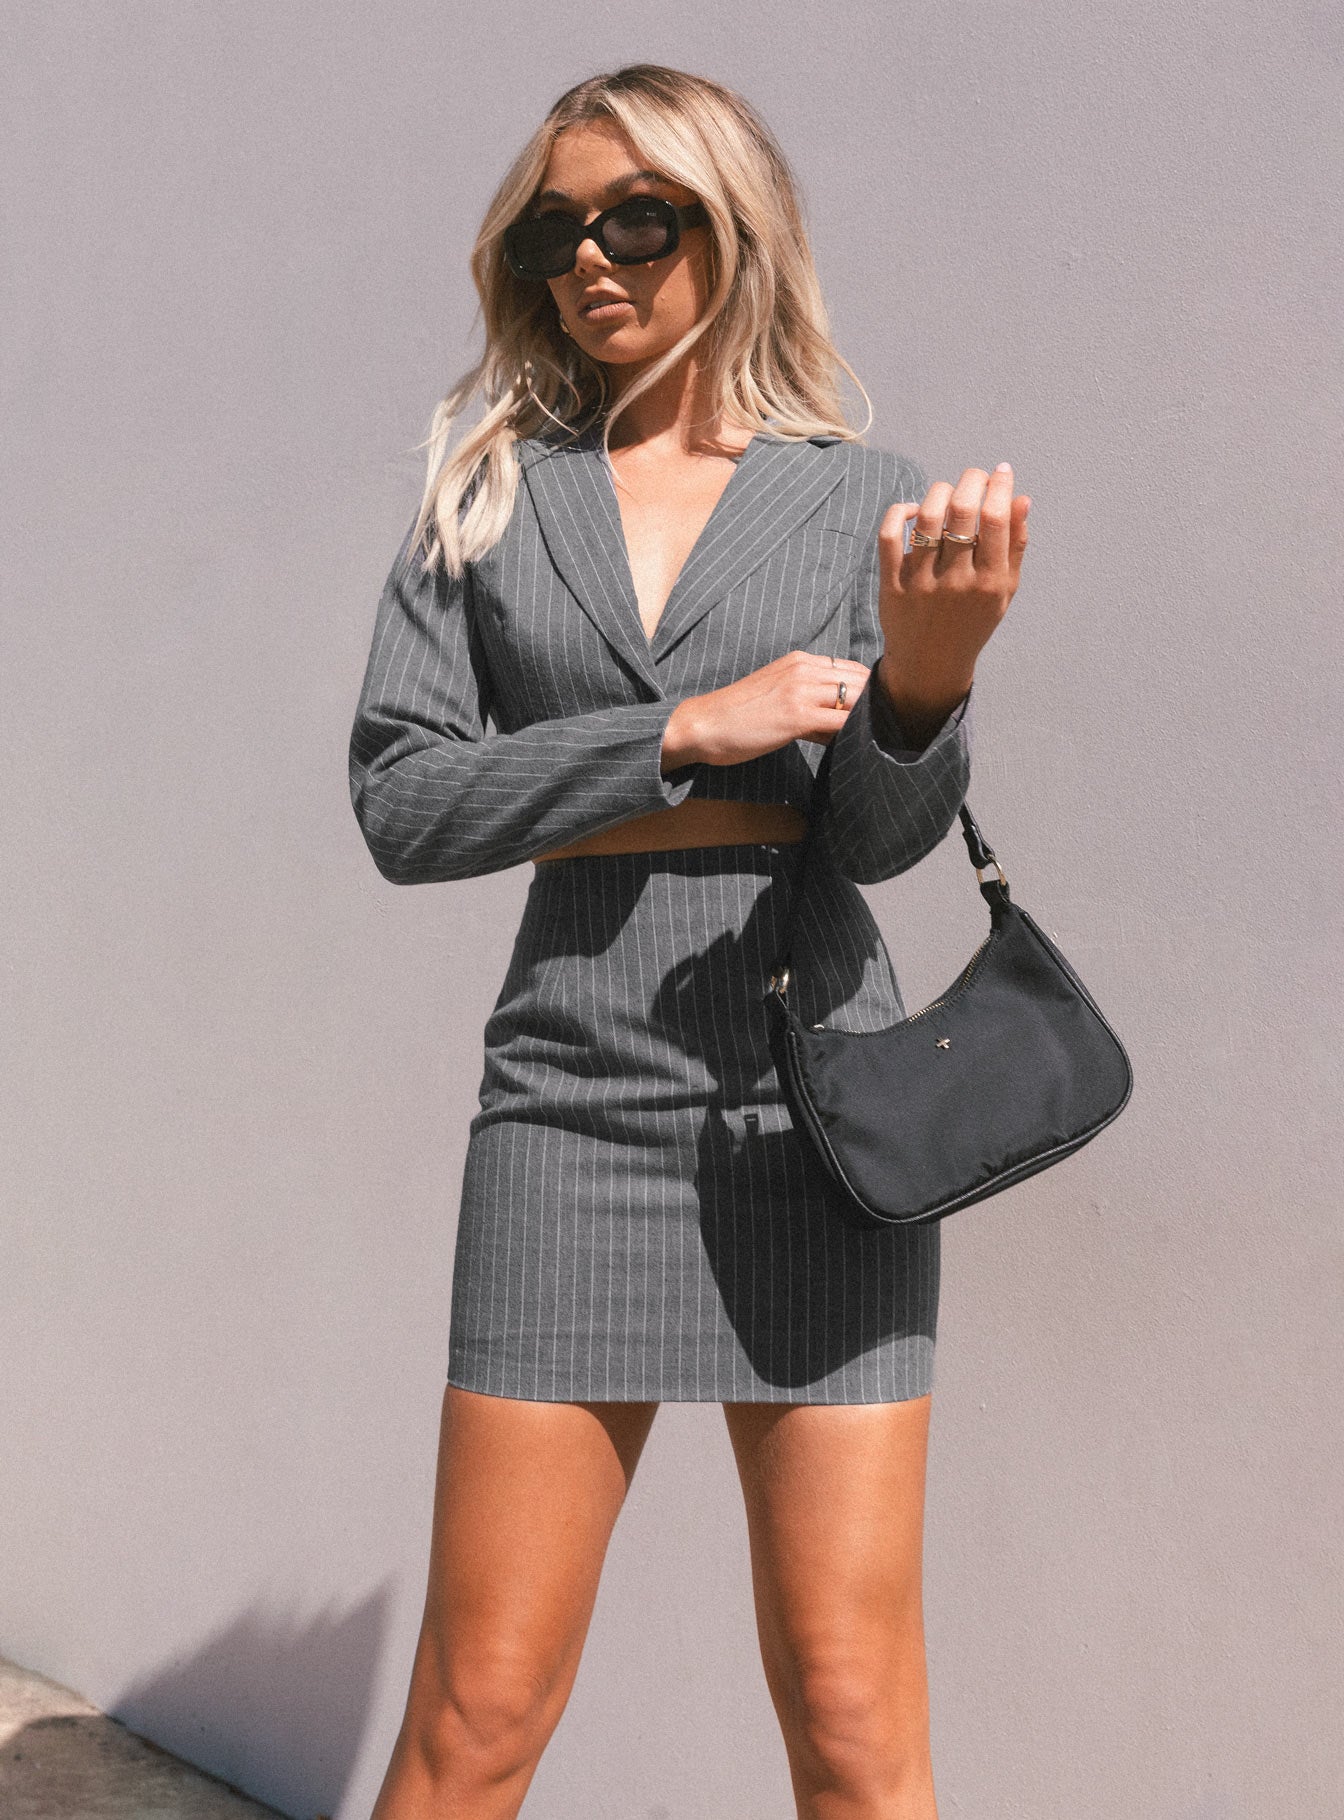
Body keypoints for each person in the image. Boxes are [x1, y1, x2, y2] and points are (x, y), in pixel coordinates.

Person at [348, 61, 1028, 1820]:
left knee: (852, 1716)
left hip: (813, 1114)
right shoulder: (489, 493)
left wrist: (929, 683)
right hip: (567, 1107)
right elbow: (403, 803)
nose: (590, 258)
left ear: (736, 228)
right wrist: (679, 732)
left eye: (636, 218)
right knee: (477, 1713)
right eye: (552, 232)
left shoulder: (861, 492)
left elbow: (870, 841)